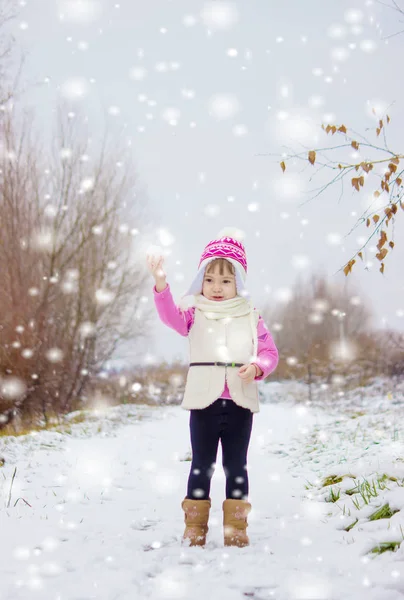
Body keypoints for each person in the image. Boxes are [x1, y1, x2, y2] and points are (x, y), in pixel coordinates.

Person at [146, 228, 279, 548]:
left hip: (239, 404)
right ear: (200, 281)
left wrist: (258, 366)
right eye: (209, 279)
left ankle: (236, 529)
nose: (216, 288)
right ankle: (195, 528)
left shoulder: (251, 316)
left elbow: (269, 353)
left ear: (239, 283)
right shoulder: (194, 313)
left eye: (225, 281)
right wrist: (161, 283)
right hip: (204, 404)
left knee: (236, 466)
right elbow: (169, 318)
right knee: (201, 465)